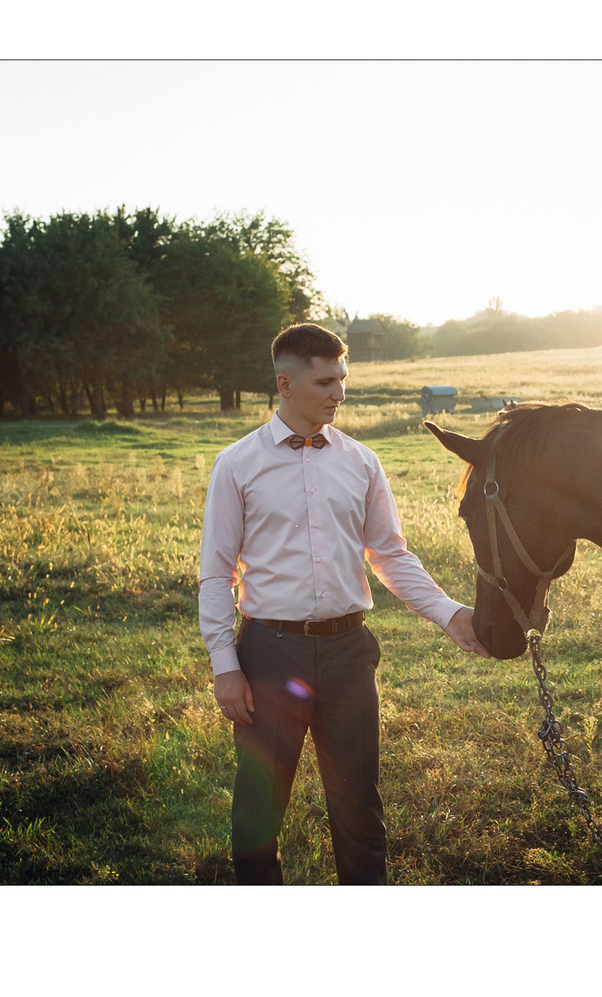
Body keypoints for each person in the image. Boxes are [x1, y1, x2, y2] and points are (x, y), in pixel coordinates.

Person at [199, 323, 485, 883]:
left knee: (359, 808)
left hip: (349, 654)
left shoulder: (362, 462)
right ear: (285, 384)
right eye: (326, 382)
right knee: (259, 808)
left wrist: (449, 613)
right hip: (269, 656)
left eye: (343, 379)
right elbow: (216, 573)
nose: (340, 393)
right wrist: (224, 665)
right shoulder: (236, 464)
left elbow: (390, 555)